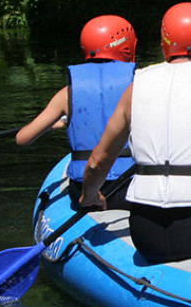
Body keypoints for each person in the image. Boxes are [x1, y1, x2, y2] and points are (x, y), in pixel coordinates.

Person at [80, 2, 191, 263]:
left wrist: (89, 196)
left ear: (164, 44)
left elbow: (98, 162)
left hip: (146, 233)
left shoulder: (135, 86)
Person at [16, 14, 137, 210]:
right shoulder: (139, 85)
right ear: (127, 46)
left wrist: (52, 125)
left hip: (82, 189)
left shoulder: (67, 94)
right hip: (129, 188)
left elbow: (23, 139)